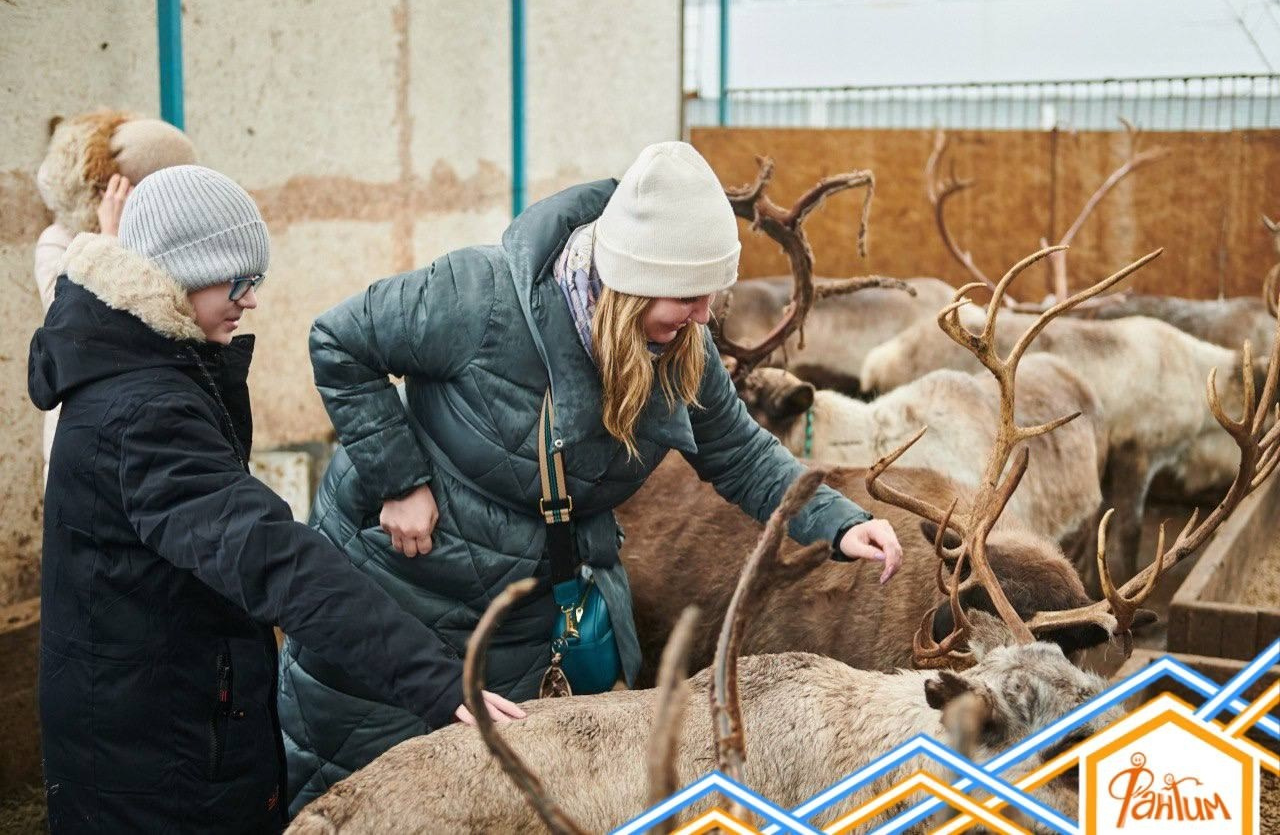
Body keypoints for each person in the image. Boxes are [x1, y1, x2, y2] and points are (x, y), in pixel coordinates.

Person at [279, 141, 905, 812]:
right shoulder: (479, 298)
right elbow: (338, 341)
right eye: (688, 297)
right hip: (401, 603)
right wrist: (397, 479)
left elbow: (739, 451)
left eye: (710, 298)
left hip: (527, 619)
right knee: (365, 803)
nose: (703, 317)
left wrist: (841, 523)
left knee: (496, 809)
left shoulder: (677, 350)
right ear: (632, 278)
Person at [28, 166, 510, 833]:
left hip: (151, 708)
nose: (250, 300)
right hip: (156, 757)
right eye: (239, 281)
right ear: (181, 272)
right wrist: (435, 681)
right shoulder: (144, 408)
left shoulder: (133, 361)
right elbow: (272, 554)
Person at [34, 110, 197, 484]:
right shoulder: (59, 241)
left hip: (152, 432)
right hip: (85, 441)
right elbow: (71, 322)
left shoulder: (163, 246)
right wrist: (111, 239)